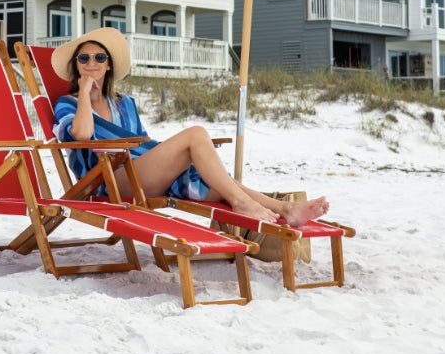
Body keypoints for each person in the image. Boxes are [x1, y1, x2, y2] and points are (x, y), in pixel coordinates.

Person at [52, 27, 329, 226]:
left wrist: (172, 161)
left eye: (99, 58)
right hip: (108, 183)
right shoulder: (67, 103)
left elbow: (141, 145)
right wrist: (86, 90)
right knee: (196, 134)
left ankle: (286, 208)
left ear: (108, 65)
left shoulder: (125, 104)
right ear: (76, 65)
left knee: (218, 181)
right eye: (84, 58)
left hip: (141, 174)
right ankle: (243, 203)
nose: (91, 63)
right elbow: (83, 134)